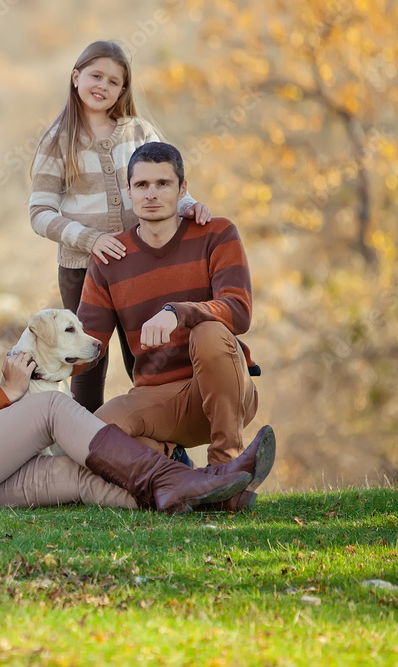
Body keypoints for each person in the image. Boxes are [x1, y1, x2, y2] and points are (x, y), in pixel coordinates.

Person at [0, 203, 266, 515]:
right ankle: (187, 478)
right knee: (50, 407)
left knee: (72, 476)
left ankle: (199, 496)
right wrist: (5, 394)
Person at [78, 142, 272, 511]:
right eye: (143, 185)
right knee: (94, 433)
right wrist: (41, 355)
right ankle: (183, 482)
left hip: (224, 388)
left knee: (209, 330)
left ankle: (225, 468)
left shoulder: (216, 233)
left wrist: (176, 312)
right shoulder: (109, 259)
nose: (152, 194)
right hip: (159, 399)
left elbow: (239, 310)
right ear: (129, 191)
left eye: (163, 184)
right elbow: (90, 346)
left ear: (183, 189)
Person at [29, 40, 212, 418]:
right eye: (96, 75)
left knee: (146, 353)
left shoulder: (139, 132)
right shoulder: (56, 141)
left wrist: (191, 207)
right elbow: (40, 212)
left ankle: (163, 439)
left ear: (123, 90)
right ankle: (84, 446)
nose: (104, 86)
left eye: (115, 81)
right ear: (76, 76)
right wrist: (90, 239)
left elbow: (168, 182)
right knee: (86, 359)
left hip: (138, 265)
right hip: (82, 269)